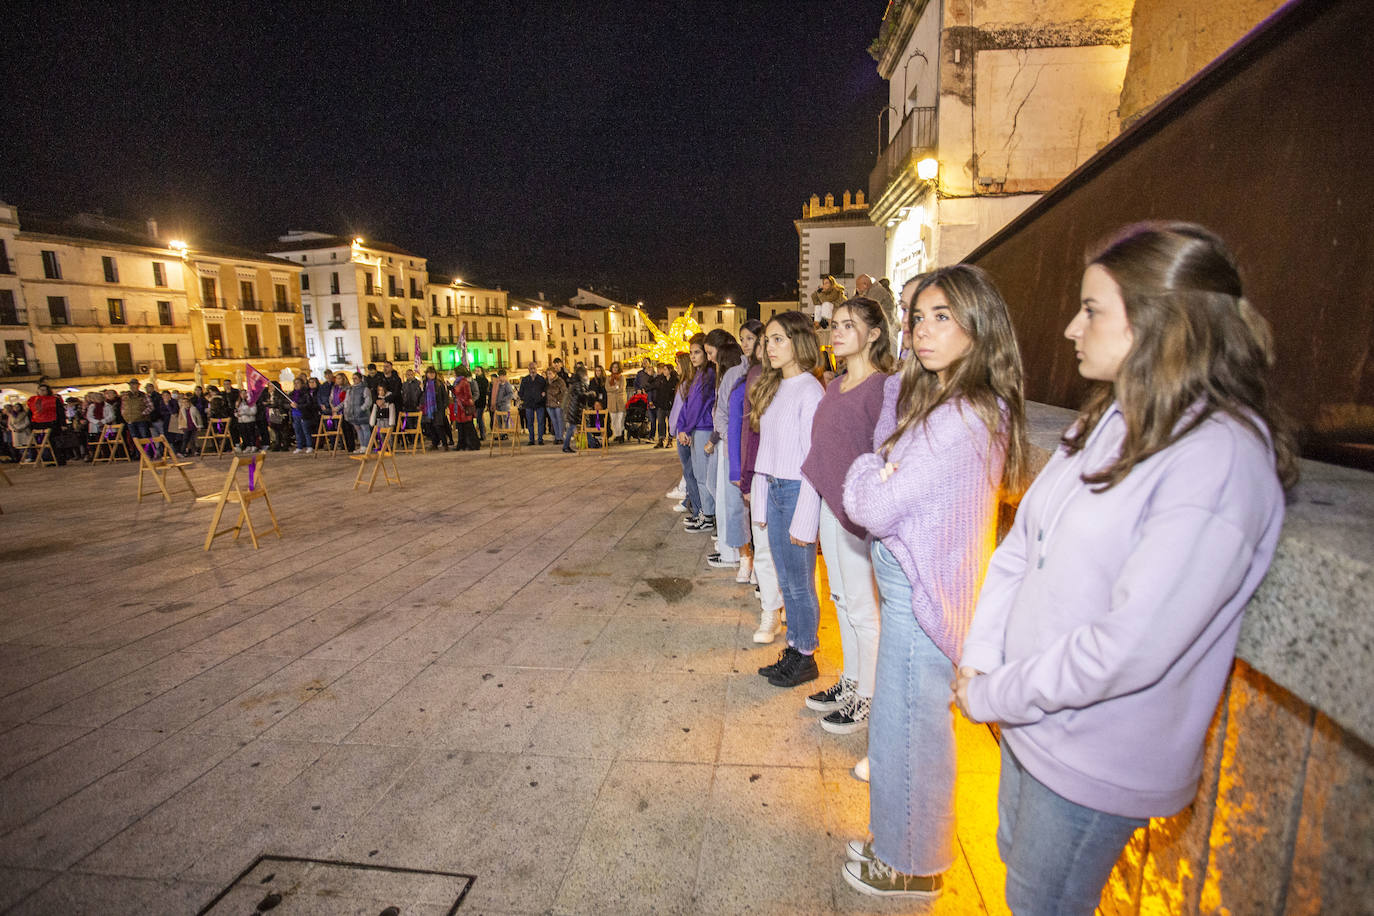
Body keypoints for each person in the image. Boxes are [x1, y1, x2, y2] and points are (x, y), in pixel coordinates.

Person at [954, 224, 1294, 915]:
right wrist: (983, 657)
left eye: (1093, 309)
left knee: (1044, 901)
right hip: (1031, 716)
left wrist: (997, 693)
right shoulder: (1110, 417)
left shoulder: (1218, 459)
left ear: (1159, 322)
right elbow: (1023, 546)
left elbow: (1128, 647)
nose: (1075, 326)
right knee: (1018, 869)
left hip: (1093, 750)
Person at [840, 264, 1030, 899]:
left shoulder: (963, 416)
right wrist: (885, 465)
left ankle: (912, 862)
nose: (923, 330)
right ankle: (903, 844)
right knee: (903, 724)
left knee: (909, 731)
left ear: (980, 325)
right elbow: (888, 457)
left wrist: (875, 467)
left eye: (942, 316)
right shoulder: (952, 401)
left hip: (923, 600)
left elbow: (870, 499)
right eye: (918, 317)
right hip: (919, 591)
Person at [801, 297, 896, 736]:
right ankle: (851, 681)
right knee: (840, 599)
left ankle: (869, 697)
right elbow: (823, 447)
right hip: (829, 503)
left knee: (862, 606)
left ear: (874, 334)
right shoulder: (835, 384)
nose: (836, 333)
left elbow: (886, 453)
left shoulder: (881, 387)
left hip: (858, 511)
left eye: (848, 325)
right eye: (834, 325)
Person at [750, 312, 825, 688]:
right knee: (785, 578)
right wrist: (761, 502)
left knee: (800, 581)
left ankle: (806, 653)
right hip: (776, 489)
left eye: (778, 339)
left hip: (798, 491)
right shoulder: (774, 386)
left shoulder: (811, 390)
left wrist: (806, 517)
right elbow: (768, 449)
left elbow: (814, 458)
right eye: (768, 340)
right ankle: (795, 648)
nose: (770, 347)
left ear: (799, 341)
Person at [705, 340, 745, 570]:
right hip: (726, 439)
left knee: (728, 500)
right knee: (722, 496)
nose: (712, 361)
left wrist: (716, 437)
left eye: (714, 356)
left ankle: (733, 552)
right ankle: (729, 547)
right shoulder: (732, 378)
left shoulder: (732, 378)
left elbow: (725, 413)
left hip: (728, 442)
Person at [674, 335, 716, 531]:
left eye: (697, 352)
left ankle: (708, 515)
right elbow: (688, 404)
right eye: (691, 353)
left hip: (704, 428)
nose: (693, 356)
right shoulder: (699, 374)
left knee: (703, 474)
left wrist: (686, 427)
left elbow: (697, 405)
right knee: (699, 474)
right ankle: (704, 513)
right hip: (697, 427)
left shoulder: (708, 375)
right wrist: (683, 427)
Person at [26, 383, 66, 465]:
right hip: (38, 424)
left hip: (51, 423)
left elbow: (60, 412)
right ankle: (47, 459)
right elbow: (30, 413)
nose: (42, 392)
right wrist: (31, 424)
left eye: (44, 390)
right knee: (41, 443)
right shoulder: (33, 400)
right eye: (40, 390)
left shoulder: (54, 399)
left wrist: (63, 424)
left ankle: (58, 460)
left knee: (53, 443)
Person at [856, 274, 898, 341]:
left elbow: (867, 311)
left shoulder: (876, 292)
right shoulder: (874, 290)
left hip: (884, 330)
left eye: (858, 286)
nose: (857, 290)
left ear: (865, 285)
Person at [420, 366, 452, 450]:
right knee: (431, 427)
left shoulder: (439, 384)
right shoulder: (424, 384)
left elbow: (445, 396)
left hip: (438, 408)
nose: (431, 375)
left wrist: (444, 406)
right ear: (427, 374)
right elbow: (423, 395)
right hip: (428, 409)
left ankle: (445, 444)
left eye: (433, 373)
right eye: (430, 373)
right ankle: (434, 443)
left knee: (439, 426)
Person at [561, 365, 590, 452]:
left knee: (576, 427)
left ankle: (566, 446)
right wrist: (590, 394)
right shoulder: (579, 384)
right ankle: (566, 446)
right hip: (576, 409)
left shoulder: (575, 383)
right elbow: (582, 395)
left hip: (573, 408)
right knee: (581, 426)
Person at [451, 366, 480, 450]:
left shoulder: (464, 382)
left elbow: (468, 395)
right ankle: (462, 444)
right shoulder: (458, 382)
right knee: (461, 427)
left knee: (468, 427)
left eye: (455, 372)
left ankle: (473, 444)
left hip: (464, 407)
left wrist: (462, 400)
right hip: (460, 407)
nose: (454, 374)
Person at [344, 372, 374, 452]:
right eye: (353, 378)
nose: (354, 380)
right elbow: (346, 401)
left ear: (360, 379)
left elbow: (368, 401)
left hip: (362, 414)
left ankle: (366, 445)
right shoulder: (350, 389)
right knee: (358, 430)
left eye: (356, 378)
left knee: (365, 429)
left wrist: (362, 409)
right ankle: (362, 445)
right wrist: (348, 410)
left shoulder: (365, 389)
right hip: (353, 414)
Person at [518, 367, 547, 445]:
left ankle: (540, 439)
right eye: (531, 369)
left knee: (540, 422)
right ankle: (531, 440)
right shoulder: (525, 380)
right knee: (530, 422)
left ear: (536, 369)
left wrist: (542, 396)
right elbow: (521, 392)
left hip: (539, 403)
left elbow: (545, 389)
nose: (533, 370)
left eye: (534, 368)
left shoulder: (541, 379)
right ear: (529, 369)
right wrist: (525, 398)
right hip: (529, 404)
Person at [649, 362, 675, 447]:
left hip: (670, 405)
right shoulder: (660, 379)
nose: (663, 371)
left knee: (670, 423)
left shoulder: (674, 379)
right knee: (660, 422)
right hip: (661, 404)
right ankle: (661, 439)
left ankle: (670, 440)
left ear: (670, 370)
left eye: (665, 369)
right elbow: (651, 384)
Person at [545, 367, 568, 443]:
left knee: (560, 420)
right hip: (549, 404)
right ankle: (557, 437)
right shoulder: (547, 382)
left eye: (550, 373)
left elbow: (564, 392)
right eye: (548, 374)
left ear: (554, 373)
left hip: (558, 404)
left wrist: (559, 400)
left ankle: (560, 437)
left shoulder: (560, 381)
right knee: (554, 421)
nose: (549, 375)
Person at [606, 360, 627, 443]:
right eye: (613, 367)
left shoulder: (622, 378)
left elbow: (622, 388)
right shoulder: (608, 378)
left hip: (620, 402)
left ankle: (621, 435)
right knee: (614, 420)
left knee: (620, 419)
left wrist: (613, 390)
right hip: (611, 403)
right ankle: (617, 434)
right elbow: (607, 388)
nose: (615, 369)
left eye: (616, 367)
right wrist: (616, 388)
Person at [472, 366, 491, 440]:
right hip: (476, 402)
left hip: (481, 402)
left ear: (481, 372)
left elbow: (483, 391)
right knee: (479, 419)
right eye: (476, 371)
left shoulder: (484, 380)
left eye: (478, 371)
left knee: (479, 419)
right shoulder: (475, 380)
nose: (477, 372)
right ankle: (482, 434)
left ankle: (483, 435)